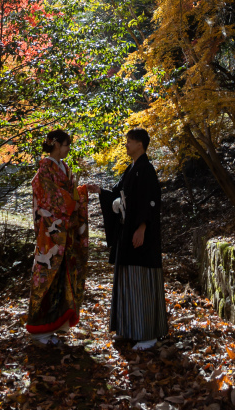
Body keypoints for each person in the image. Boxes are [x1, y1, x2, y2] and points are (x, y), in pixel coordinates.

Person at [26, 128, 100, 346]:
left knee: (62, 274)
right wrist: (71, 202)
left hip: (64, 231)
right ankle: (39, 330)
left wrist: (83, 191)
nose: (68, 149)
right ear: (56, 144)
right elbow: (48, 195)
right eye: (66, 145)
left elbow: (69, 193)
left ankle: (54, 326)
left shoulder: (63, 167)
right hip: (51, 232)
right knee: (47, 274)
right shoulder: (44, 169)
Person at [99, 127, 168, 351]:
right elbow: (116, 193)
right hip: (126, 233)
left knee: (141, 283)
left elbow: (151, 201)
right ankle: (129, 328)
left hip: (140, 236)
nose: (126, 144)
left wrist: (142, 227)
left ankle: (147, 334)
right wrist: (99, 191)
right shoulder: (131, 169)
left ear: (140, 144)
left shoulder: (146, 169)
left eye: (129, 141)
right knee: (128, 281)